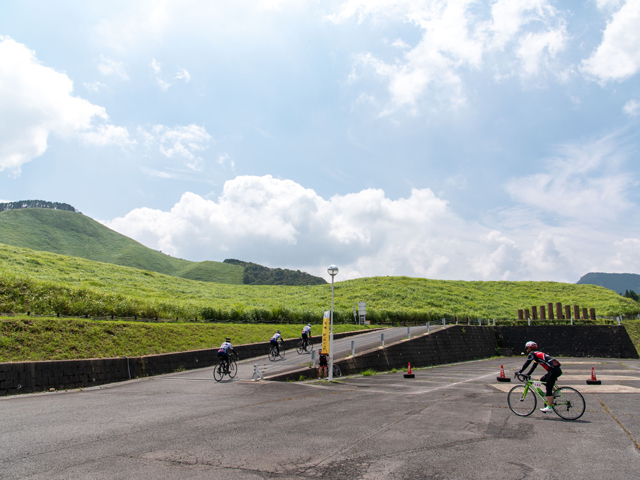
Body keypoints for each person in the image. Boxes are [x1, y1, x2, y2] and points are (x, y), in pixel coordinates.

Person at [516, 341, 562, 413]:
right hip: (556, 369)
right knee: (543, 379)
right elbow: (533, 367)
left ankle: (549, 407)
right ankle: (556, 392)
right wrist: (528, 374)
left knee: (548, 388)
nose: (527, 350)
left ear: (529, 348)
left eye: (527, 348)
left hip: (553, 370)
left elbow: (527, 363)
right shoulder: (537, 354)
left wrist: (519, 372)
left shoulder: (532, 354)